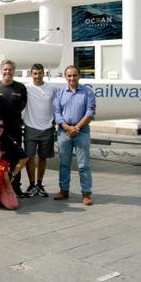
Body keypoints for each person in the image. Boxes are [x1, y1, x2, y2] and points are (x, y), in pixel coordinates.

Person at [53, 65, 97, 206]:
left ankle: (86, 193)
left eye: (74, 75)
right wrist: (67, 127)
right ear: (65, 77)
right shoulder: (60, 93)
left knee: (84, 164)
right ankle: (64, 190)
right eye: (69, 75)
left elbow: (90, 113)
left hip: (81, 132)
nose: (72, 78)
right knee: (64, 163)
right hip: (64, 132)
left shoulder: (87, 92)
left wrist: (76, 128)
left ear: (79, 76)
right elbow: (57, 113)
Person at [0, 60, 27, 196]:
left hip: (15, 129)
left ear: (14, 71)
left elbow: (23, 105)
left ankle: (15, 187)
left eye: (10, 69)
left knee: (15, 157)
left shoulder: (20, 88)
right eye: (5, 69)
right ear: (1, 70)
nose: (7, 72)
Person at [23, 63, 56, 197]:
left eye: (40, 73)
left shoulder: (52, 88)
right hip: (30, 127)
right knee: (30, 157)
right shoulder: (26, 88)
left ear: (44, 74)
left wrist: (55, 119)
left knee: (43, 157)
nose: (37, 76)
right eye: (35, 74)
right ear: (32, 74)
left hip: (47, 128)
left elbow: (57, 105)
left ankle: (40, 184)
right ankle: (31, 185)